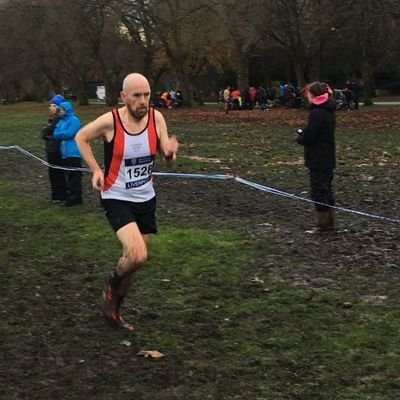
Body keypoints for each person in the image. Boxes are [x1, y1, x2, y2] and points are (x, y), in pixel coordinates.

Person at [75, 72, 179, 331]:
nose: (143, 101)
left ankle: (113, 310)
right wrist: (96, 170)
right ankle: (110, 286)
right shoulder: (110, 121)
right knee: (137, 254)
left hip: (146, 198)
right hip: (116, 196)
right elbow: (81, 137)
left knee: (133, 265)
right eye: (137, 96)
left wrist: (169, 153)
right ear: (123, 97)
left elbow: (165, 153)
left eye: (147, 95)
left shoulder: (156, 118)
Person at [296, 81, 336, 231]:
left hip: (318, 157)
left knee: (319, 190)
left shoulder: (317, 113)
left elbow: (309, 137)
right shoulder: (327, 111)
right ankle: (330, 220)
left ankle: (323, 224)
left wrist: (301, 136)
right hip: (327, 155)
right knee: (326, 188)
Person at [53, 101, 83, 206]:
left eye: (61, 109)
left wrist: (61, 134)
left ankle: (75, 197)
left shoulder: (74, 120)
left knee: (74, 175)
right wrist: (62, 134)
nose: (59, 111)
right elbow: (55, 134)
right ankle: (73, 196)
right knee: (68, 175)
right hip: (64, 153)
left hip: (73, 152)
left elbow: (69, 134)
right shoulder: (61, 122)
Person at [41, 95, 67, 203]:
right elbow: (44, 134)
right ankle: (55, 195)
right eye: (50, 105)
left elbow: (48, 131)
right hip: (50, 149)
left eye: (54, 105)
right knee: (52, 173)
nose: (51, 107)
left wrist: (47, 133)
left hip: (57, 149)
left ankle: (62, 195)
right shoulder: (51, 119)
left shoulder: (59, 120)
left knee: (59, 173)